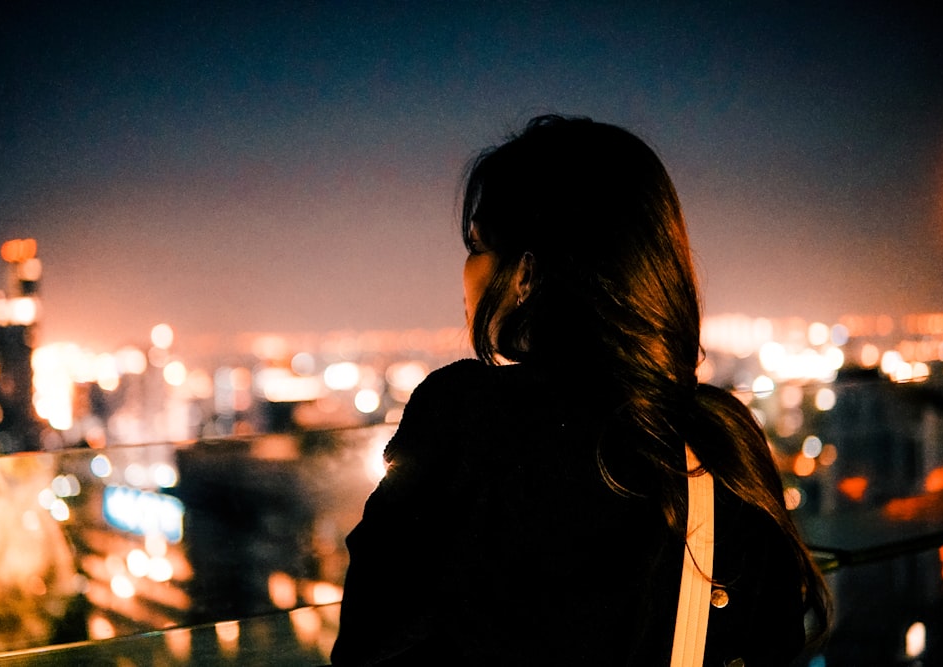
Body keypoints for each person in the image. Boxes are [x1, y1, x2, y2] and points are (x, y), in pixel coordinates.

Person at [330, 115, 830, 665]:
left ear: (526, 274)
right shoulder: (720, 439)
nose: (466, 272)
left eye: (477, 246)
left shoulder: (463, 417)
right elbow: (774, 638)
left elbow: (369, 637)